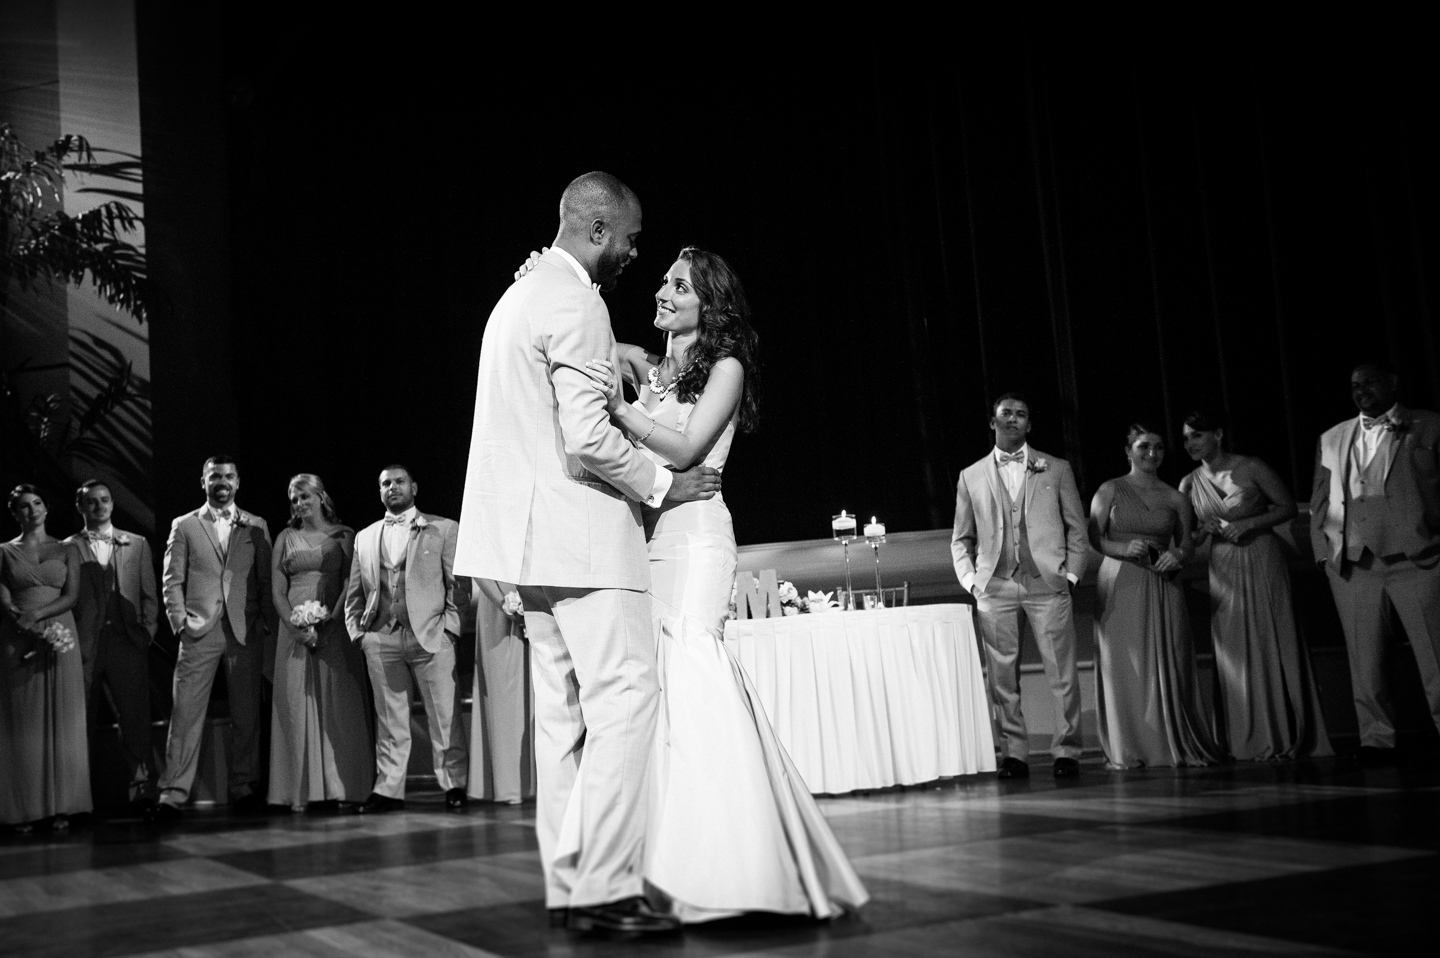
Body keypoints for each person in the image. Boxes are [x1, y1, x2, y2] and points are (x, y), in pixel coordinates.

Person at [455, 172, 720, 936]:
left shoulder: (522, 296)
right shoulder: (576, 302)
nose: (636, 254)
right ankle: (606, 888)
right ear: (599, 230)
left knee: (561, 724)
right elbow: (588, 437)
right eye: (632, 239)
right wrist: (664, 486)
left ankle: (573, 887)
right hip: (585, 546)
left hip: (529, 554)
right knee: (627, 702)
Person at [579, 246, 869, 922]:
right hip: (649, 541)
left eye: (678, 285)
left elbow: (684, 451)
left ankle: (737, 865)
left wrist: (619, 411)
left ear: (708, 304)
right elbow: (587, 331)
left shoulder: (728, 369)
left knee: (693, 670)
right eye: (663, 281)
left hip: (700, 540)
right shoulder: (651, 368)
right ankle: (669, 860)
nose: (662, 290)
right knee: (656, 691)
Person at [950, 393, 1089, 779]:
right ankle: (1014, 753)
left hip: (1048, 583)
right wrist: (971, 582)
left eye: (1021, 414)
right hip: (995, 585)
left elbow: (1078, 529)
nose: (1014, 419)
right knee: (1002, 676)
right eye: (1006, 413)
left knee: (1061, 672)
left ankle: (1067, 751)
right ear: (992, 422)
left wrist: (1071, 576)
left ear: (1029, 424)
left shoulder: (1055, 469)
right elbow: (961, 538)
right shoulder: (971, 475)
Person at [1179, 412, 1332, 762]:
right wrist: (1202, 531)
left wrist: (1247, 524)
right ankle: (1244, 736)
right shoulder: (1189, 483)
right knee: (1233, 649)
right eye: (1186, 438)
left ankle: (1290, 730)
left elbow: (1288, 508)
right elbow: (1191, 534)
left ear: (1218, 434)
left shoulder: (1251, 467)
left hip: (1261, 556)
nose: (1190, 443)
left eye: (1197, 435)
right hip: (1223, 566)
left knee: (1273, 636)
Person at [1311, 362, 1440, 763]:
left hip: (1419, 558)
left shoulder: (1429, 425)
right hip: (1353, 564)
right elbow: (1318, 501)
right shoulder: (1332, 436)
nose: (1361, 389)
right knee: (1364, 661)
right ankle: (1376, 739)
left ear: (1392, 383)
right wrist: (1324, 557)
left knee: (1436, 655)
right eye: (1354, 385)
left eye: (1369, 382)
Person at [1089, 424, 1223, 768]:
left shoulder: (1175, 496)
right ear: (1128, 450)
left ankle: (1168, 741)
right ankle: (1130, 745)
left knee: (1170, 661)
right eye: (1144, 446)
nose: (1153, 453)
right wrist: (1121, 546)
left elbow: (1188, 544)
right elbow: (1093, 537)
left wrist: (1178, 555)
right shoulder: (1110, 489)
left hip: (1163, 583)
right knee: (1126, 665)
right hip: (1120, 580)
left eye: (1159, 447)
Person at [152, 455, 274, 820]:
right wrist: (180, 623)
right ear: (203, 482)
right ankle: (172, 794)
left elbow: (265, 581)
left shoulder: (256, 525)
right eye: (214, 476)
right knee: (186, 714)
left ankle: (244, 787)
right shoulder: (185, 525)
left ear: (237, 482)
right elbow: (171, 581)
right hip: (199, 631)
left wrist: (264, 625)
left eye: (228, 476)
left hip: (243, 631)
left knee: (246, 717)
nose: (222, 481)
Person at [345, 465, 467, 812]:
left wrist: (450, 631)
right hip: (381, 638)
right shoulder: (365, 536)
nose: (392, 487)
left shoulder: (442, 528)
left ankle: (453, 783)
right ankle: (388, 788)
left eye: (399, 481)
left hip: (431, 636)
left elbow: (458, 587)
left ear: (413, 486)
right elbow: (354, 591)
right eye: (385, 483)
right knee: (389, 718)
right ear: (379, 491)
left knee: (444, 717)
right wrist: (359, 635)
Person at [269, 474, 372, 810]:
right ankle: (299, 790)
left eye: (304, 497)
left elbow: (348, 582)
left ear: (320, 497)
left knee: (337, 701)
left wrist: (329, 622)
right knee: (295, 704)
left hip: (335, 622)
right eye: (293, 499)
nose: (299, 504)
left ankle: (340, 787)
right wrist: (293, 624)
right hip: (293, 630)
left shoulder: (344, 535)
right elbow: (276, 588)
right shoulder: (285, 537)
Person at [64, 479, 160, 806]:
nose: (100, 506)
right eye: (92, 502)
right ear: (81, 507)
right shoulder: (67, 547)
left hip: (126, 641)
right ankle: (77, 798)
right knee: (80, 720)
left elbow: (149, 594)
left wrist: (146, 632)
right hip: (84, 645)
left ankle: (143, 788)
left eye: (105, 500)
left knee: (134, 717)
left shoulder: (137, 543)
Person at [0, 485, 90, 831]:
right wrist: (20, 620)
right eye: (23, 507)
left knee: (63, 721)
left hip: (60, 634)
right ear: (15, 514)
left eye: (37, 503)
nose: (31, 510)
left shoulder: (68, 549)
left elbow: (72, 596)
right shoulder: (5, 551)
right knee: (23, 724)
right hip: (18, 636)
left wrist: (38, 617)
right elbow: (3, 597)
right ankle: (23, 809)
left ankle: (63, 805)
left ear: (46, 508)